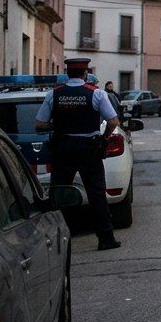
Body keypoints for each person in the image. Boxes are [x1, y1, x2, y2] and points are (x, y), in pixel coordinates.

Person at [34, 57, 121, 251]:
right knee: (97, 194)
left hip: (63, 148)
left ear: (67, 74)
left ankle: (59, 242)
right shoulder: (97, 94)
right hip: (89, 149)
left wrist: (59, 125)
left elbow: (39, 124)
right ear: (85, 74)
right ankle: (106, 238)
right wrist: (103, 138)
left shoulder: (54, 94)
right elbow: (114, 121)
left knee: (60, 194)